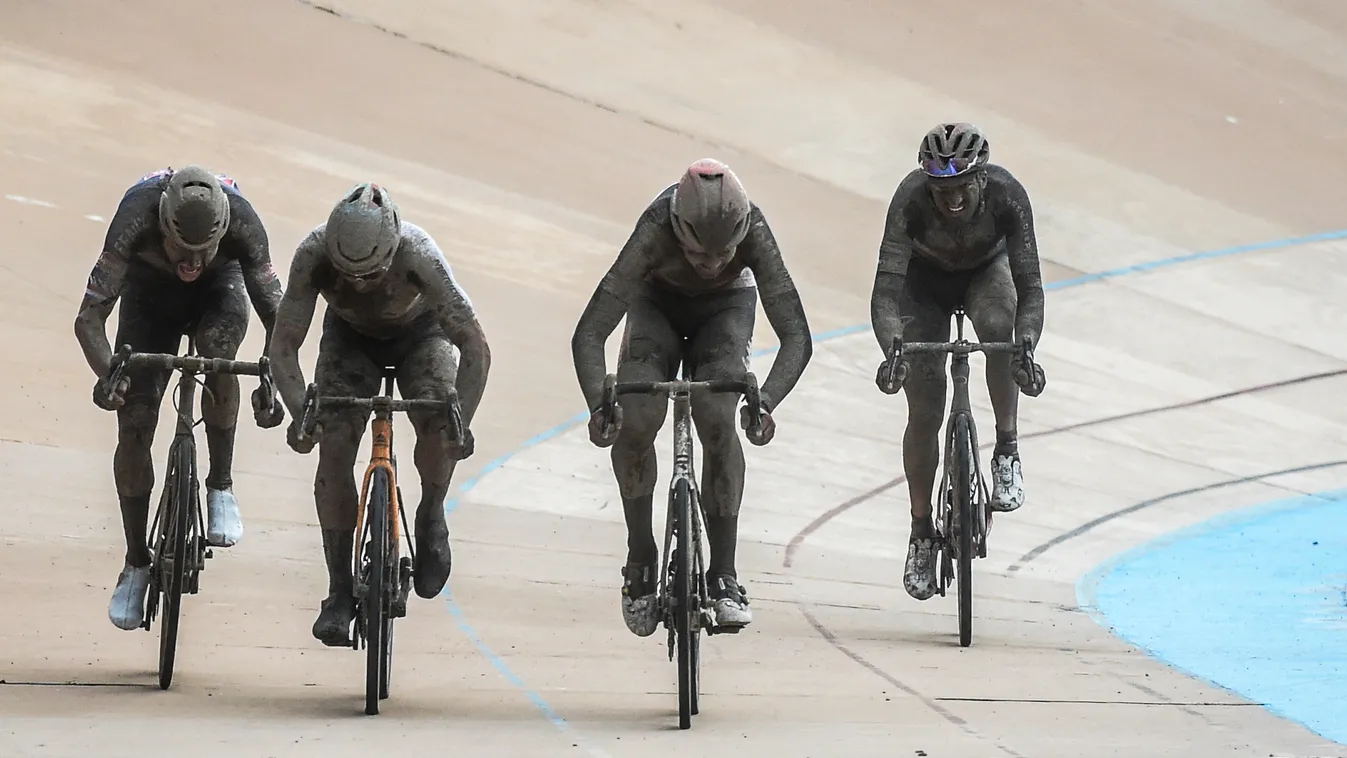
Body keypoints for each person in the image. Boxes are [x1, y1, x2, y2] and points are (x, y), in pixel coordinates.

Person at [572, 158, 813, 636]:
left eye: (724, 255)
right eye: (700, 255)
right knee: (637, 416)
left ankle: (724, 574)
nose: (712, 264)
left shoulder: (755, 232)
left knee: (717, 414)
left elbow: (796, 338)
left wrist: (765, 401)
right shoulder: (655, 227)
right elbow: (590, 333)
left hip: (725, 311)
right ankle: (640, 557)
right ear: (677, 229)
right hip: (654, 305)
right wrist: (601, 406)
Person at [267, 183, 490, 646]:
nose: (358, 285)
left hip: (421, 335)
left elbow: (474, 346)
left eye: (371, 275)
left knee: (435, 422)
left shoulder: (420, 254)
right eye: (349, 275)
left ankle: (431, 512)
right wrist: (300, 414)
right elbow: (284, 344)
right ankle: (338, 591)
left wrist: (459, 423)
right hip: (348, 338)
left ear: (392, 251)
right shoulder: (312, 254)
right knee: (334, 444)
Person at [74, 165, 285, 631]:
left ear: (223, 230)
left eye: (202, 250)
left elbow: (280, 320)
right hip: (149, 296)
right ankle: (135, 562)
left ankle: (221, 485)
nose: (192, 261)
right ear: (162, 223)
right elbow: (89, 319)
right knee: (135, 425)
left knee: (219, 352)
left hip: (219, 290)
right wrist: (111, 374)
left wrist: (272, 378)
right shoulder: (135, 214)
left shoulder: (243, 223)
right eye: (182, 249)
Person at [869, 123, 1048, 601]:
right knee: (925, 408)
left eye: (962, 188)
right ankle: (921, 531)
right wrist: (894, 349)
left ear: (982, 180)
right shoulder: (909, 200)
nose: (951, 199)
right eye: (941, 190)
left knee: (998, 331)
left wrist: (1025, 345)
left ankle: (1006, 448)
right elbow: (886, 294)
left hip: (987, 273)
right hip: (922, 286)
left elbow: (1030, 288)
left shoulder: (1009, 195)